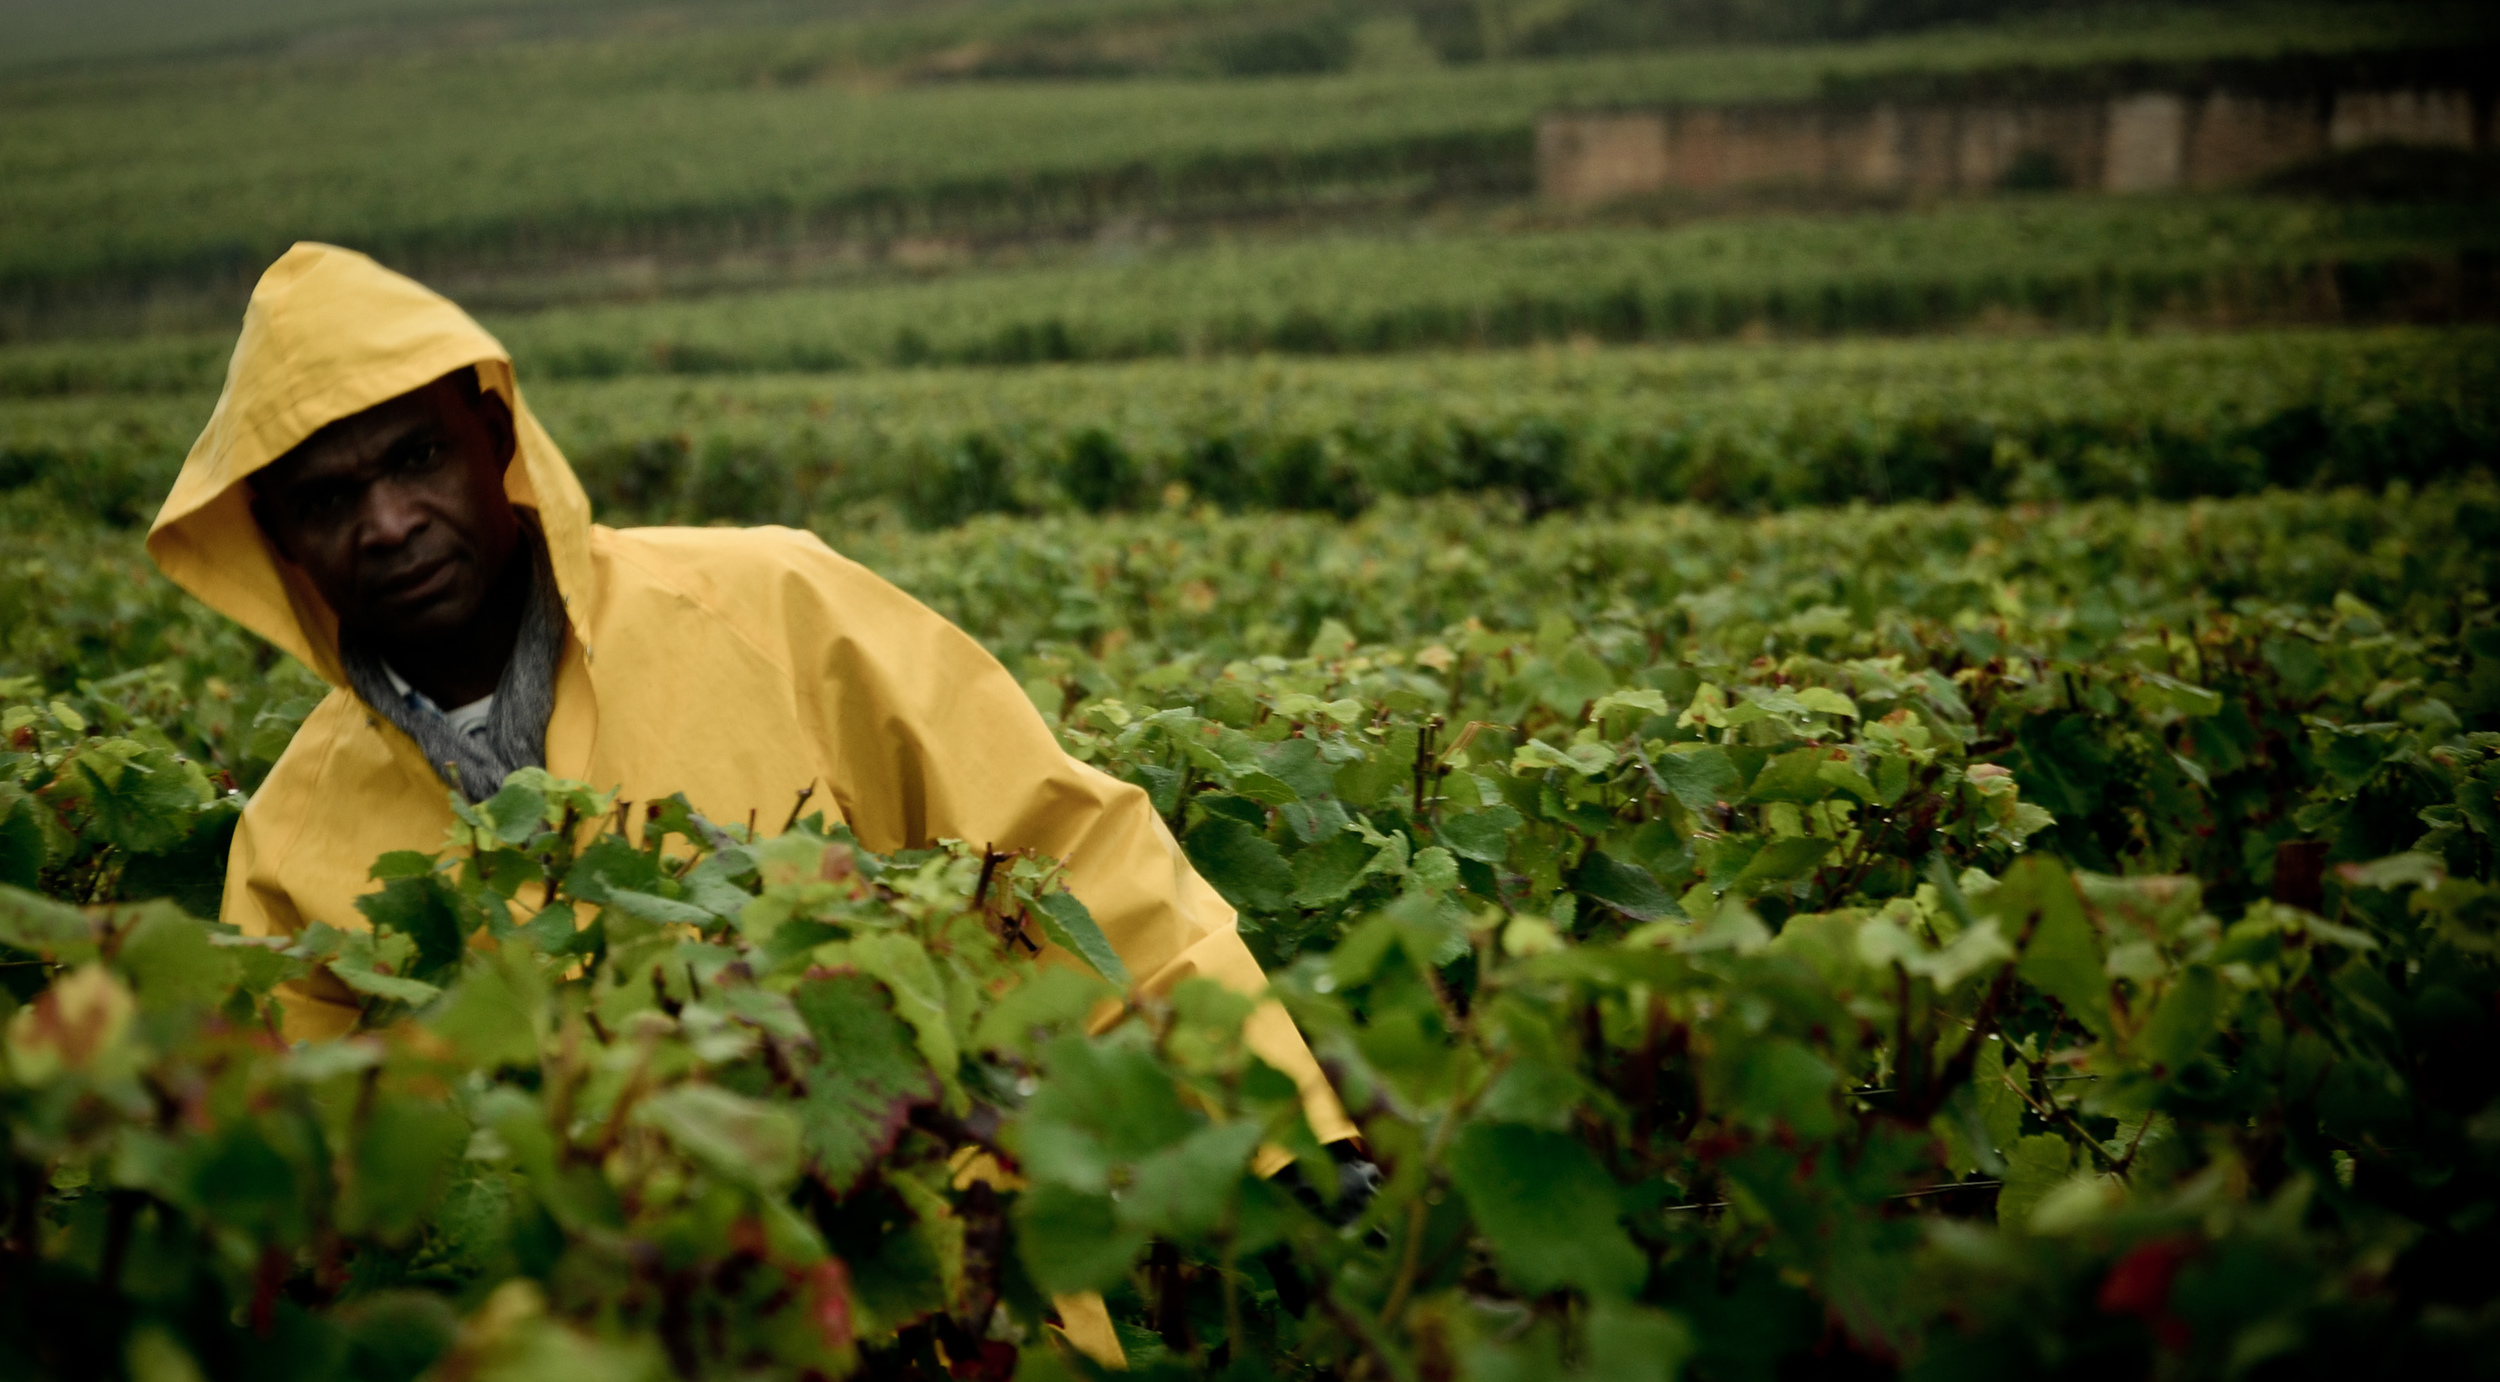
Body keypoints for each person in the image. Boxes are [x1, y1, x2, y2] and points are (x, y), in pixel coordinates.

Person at [146, 246, 1356, 1356]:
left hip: (934, 1318)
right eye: (327, 496)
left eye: (414, 457)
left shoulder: (772, 605)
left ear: (492, 433)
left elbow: (1066, 855)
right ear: (273, 535)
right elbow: (307, 1196)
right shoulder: (288, 841)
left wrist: (1279, 1131)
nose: (391, 522)